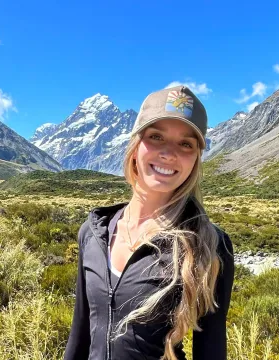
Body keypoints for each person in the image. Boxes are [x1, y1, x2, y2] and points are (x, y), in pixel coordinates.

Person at [64, 85, 235, 360]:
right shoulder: (94, 233)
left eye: (186, 144)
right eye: (156, 137)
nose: (169, 153)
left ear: (196, 159)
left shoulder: (210, 245)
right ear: (135, 146)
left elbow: (211, 351)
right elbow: (80, 334)